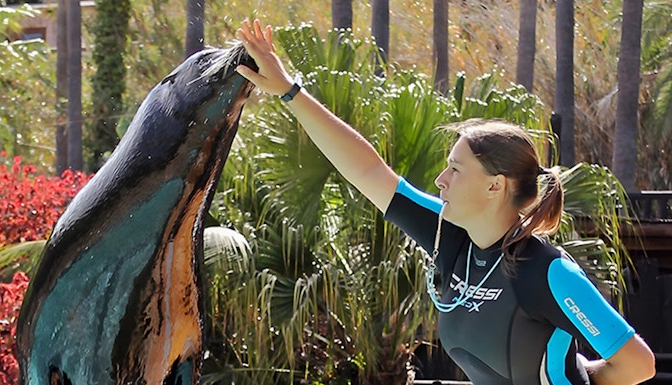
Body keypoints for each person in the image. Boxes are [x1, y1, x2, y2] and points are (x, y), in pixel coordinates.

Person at [235, 18, 656, 385]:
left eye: (455, 169)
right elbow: (369, 172)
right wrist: (290, 92)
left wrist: (578, 374)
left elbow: (637, 364)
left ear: (496, 186)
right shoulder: (448, 236)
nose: (440, 180)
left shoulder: (548, 273)